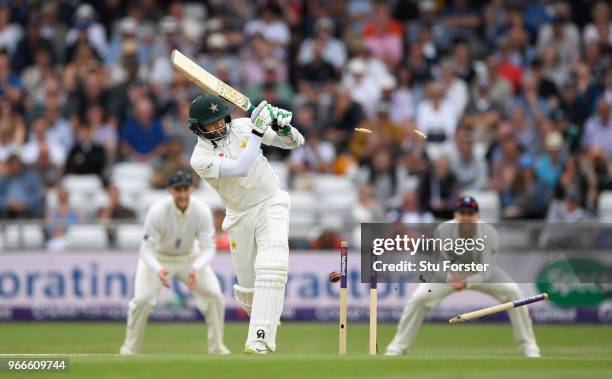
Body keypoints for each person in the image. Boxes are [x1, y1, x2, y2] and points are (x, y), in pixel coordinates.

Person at [189, 94, 304, 354]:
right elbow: (241, 167)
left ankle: (259, 340)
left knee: (272, 266)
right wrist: (258, 128)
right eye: (210, 124)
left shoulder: (241, 126)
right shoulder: (199, 157)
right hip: (239, 215)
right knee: (247, 291)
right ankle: (267, 317)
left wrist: (283, 127)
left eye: (220, 120)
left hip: (270, 201)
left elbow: (295, 142)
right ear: (198, 127)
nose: (218, 127)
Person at [385, 196, 541, 357]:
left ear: (477, 216)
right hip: (451, 272)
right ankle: (398, 347)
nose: (466, 217)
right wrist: (451, 278)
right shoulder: (444, 231)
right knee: (419, 298)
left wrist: (466, 281)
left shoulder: (488, 233)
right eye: (462, 213)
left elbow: (487, 271)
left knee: (513, 292)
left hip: (479, 273)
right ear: (456, 215)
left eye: (470, 213)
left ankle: (528, 346)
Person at [119, 171, 229, 356]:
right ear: (170, 191)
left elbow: (209, 247)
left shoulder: (201, 210)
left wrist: (196, 267)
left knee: (215, 296)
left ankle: (217, 347)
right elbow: (145, 248)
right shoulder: (157, 211)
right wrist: (158, 268)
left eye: (185, 189)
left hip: (190, 258)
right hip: (158, 258)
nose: (183, 194)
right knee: (142, 300)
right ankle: (130, 349)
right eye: (178, 190)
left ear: (191, 189)